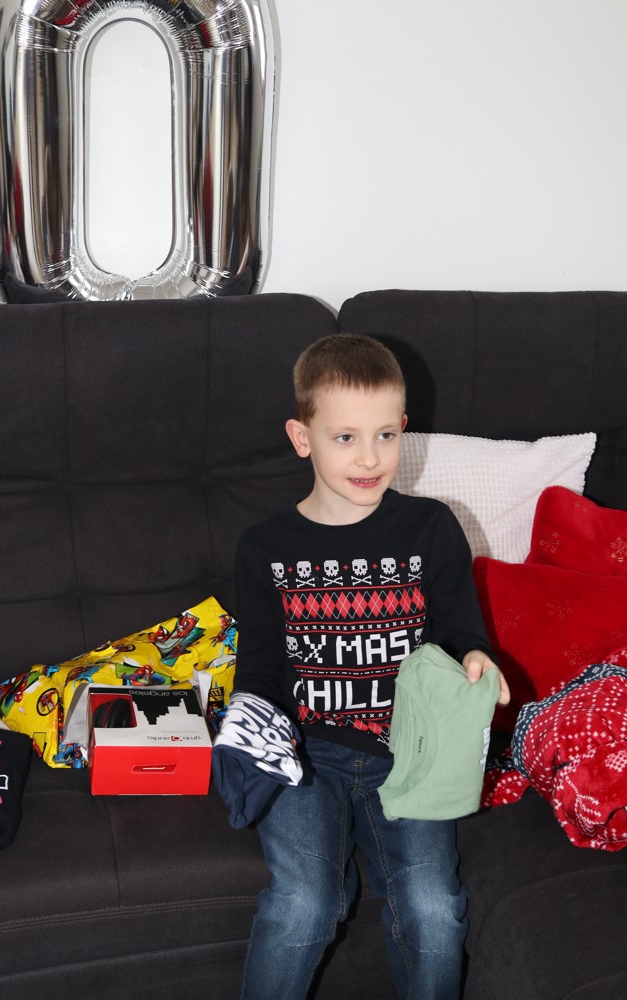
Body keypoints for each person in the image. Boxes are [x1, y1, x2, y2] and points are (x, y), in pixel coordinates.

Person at [230, 333, 510, 1000]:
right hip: (307, 753)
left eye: (386, 435)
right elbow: (261, 665)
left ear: (404, 428)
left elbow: (461, 633)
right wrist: (247, 729)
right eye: (345, 438)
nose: (369, 457)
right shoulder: (264, 547)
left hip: (409, 753)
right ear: (302, 438)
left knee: (434, 908)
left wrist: (477, 659)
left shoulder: (432, 528)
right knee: (304, 903)